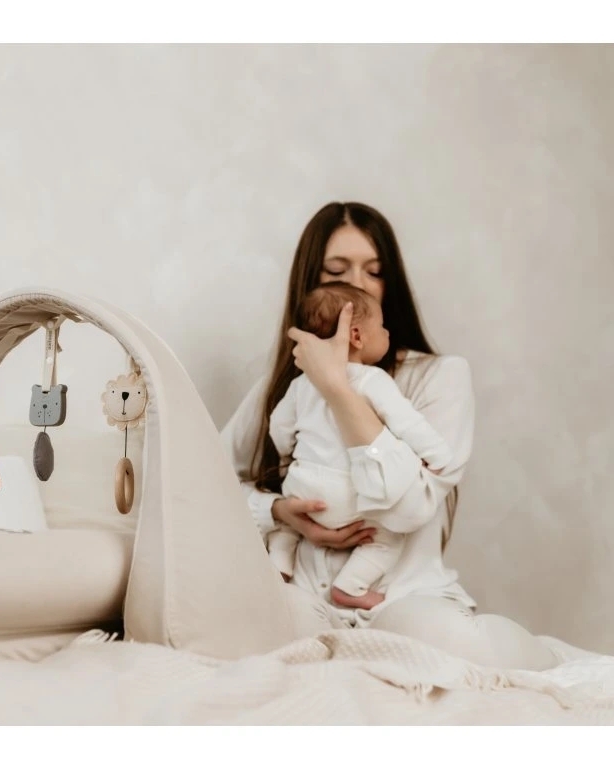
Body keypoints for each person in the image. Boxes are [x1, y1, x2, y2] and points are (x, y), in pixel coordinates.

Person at [220, 201, 559, 671]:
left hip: (402, 598)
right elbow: (206, 485)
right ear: (311, 287)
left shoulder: (440, 377)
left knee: (453, 650)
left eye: (374, 271)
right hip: (306, 595)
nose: (357, 285)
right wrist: (277, 511)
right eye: (337, 271)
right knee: (255, 638)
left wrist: (338, 389)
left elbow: (407, 510)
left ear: (389, 284)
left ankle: (547, 660)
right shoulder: (281, 388)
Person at [268, 281, 453, 611]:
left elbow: (279, 426)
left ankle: (279, 565)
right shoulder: (372, 380)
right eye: (381, 326)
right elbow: (407, 423)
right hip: (347, 496)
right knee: (386, 538)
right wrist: (437, 456)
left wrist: (287, 452)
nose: (387, 333)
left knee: (287, 523)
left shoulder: (300, 384)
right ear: (356, 335)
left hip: (302, 485)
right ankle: (350, 587)